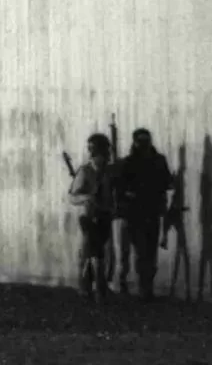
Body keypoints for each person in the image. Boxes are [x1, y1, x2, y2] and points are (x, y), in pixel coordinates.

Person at [113, 128, 174, 300]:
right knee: (141, 251)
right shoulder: (128, 163)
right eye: (141, 141)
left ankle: (146, 286)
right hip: (135, 213)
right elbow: (120, 188)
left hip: (151, 211)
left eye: (146, 141)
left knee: (150, 251)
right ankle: (144, 288)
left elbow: (167, 182)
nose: (144, 145)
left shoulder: (158, 161)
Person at [68, 133, 115, 302]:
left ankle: (95, 288)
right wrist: (86, 198)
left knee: (99, 255)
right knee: (91, 255)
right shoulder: (85, 172)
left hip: (105, 217)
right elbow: (72, 196)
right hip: (88, 219)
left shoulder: (109, 173)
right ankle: (93, 290)